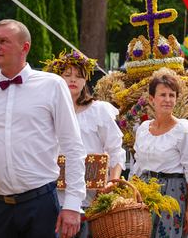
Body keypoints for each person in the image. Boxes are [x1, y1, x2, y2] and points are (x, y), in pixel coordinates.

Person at [0, 19, 86, 238]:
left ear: (25, 48)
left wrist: (72, 203)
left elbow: (73, 147)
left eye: (4, 41)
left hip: (40, 205)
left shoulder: (52, 85)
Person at [42, 50, 126, 237]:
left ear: (86, 80)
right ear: (58, 78)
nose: (73, 80)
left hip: (92, 198)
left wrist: (112, 182)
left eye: (79, 76)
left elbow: (115, 149)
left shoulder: (99, 111)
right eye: (67, 75)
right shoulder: (46, 112)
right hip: (52, 196)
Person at [133, 67, 188, 238]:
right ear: (152, 99)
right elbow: (138, 166)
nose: (167, 100)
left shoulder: (183, 130)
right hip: (145, 194)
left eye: (172, 95)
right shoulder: (143, 129)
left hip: (172, 195)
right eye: (163, 95)